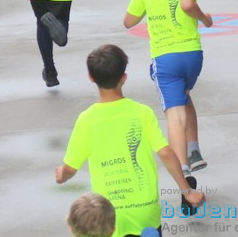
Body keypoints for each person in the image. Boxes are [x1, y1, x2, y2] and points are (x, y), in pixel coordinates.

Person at [55, 44, 205, 235]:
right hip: (145, 212)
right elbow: (166, 153)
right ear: (124, 78)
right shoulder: (142, 113)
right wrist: (187, 191)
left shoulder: (86, 120)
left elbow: (70, 168)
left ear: (91, 78)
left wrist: (62, 175)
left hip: (107, 215)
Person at [123, 0, 212, 179]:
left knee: (174, 113)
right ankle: (194, 149)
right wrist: (204, 19)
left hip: (165, 58)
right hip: (192, 55)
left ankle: (182, 167)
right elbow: (186, 3)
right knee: (184, 95)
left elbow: (129, 21)